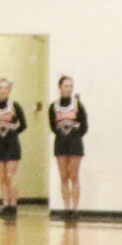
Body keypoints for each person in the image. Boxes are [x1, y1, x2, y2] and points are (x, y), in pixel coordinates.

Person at [0, 79, 27, 219]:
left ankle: (13, 205)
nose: (3, 90)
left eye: (5, 88)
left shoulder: (15, 106)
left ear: (9, 90)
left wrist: (12, 133)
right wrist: (0, 132)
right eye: (0, 88)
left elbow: (23, 125)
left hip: (12, 144)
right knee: (2, 177)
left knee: (10, 177)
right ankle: (5, 205)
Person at [49, 76, 87, 216]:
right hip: (60, 143)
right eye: (66, 86)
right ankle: (66, 208)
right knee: (64, 176)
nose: (69, 89)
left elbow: (84, 126)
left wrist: (74, 136)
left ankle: (75, 209)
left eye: (71, 86)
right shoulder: (53, 106)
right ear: (60, 87)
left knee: (74, 176)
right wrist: (63, 135)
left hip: (75, 143)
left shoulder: (78, 105)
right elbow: (53, 126)